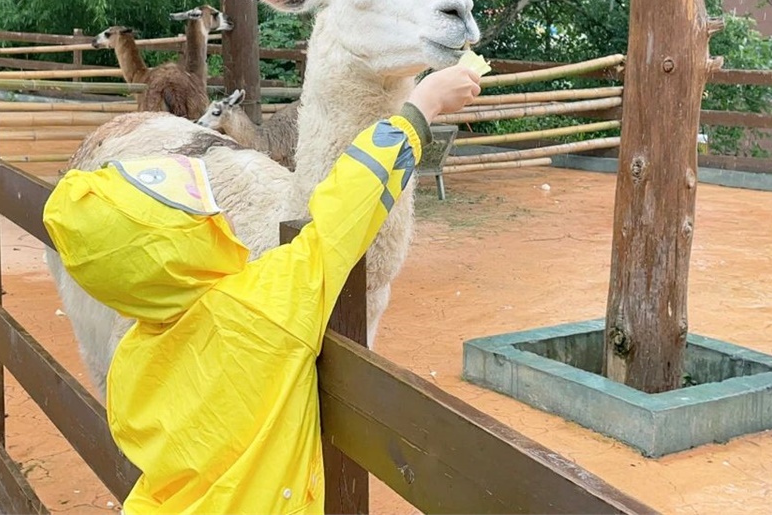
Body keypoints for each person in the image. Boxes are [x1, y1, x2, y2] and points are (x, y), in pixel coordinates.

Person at [43, 64, 481, 514]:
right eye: (197, 210)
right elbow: (345, 208)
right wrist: (420, 109)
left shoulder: (131, 363)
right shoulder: (261, 311)